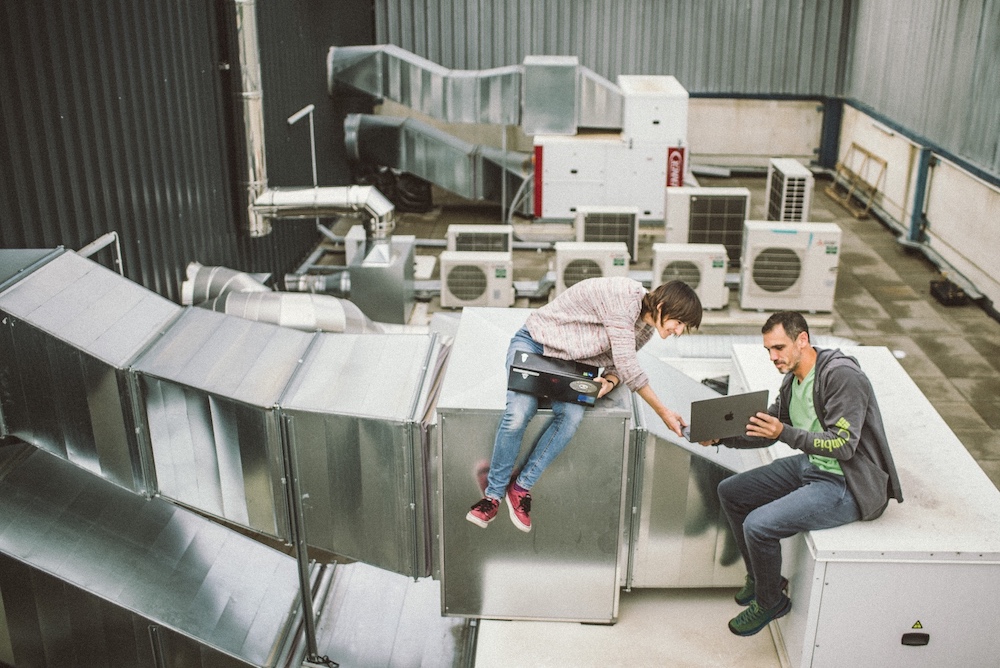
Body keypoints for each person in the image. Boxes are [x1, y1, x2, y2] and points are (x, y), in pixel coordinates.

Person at [707, 311, 903, 637]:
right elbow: (767, 430)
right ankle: (761, 578)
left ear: (803, 339)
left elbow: (843, 445)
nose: (773, 357)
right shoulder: (793, 379)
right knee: (731, 491)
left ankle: (771, 602)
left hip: (847, 482)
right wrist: (721, 437)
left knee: (759, 525)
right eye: (768, 350)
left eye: (779, 348)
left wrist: (784, 432)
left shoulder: (842, 377)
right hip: (813, 466)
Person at [466, 277, 703, 533]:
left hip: (573, 366)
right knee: (519, 413)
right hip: (536, 345)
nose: (678, 331)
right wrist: (664, 412)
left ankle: (521, 487)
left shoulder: (645, 329)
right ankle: (492, 496)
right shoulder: (624, 297)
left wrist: (609, 383)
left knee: (571, 418)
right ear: (662, 306)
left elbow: (618, 366)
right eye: (679, 322)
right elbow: (629, 367)